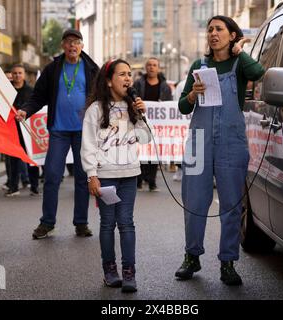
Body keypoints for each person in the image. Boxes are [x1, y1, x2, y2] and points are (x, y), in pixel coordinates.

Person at [175, 16, 265, 285]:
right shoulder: (198, 66)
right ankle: (192, 256)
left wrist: (240, 52)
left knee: (232, 204)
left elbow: (259, 72)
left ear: (232, 35)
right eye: (210, 30)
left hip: (231, 142)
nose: (213, 34)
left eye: (219, 29)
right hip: (198, 141)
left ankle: (228, 262)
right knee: (194, 202)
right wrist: (191, 95)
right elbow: (183, 107)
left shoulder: (240, 65)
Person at [16, 29, 99, 239]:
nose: (73, 46)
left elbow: (102, 96)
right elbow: (38, 96)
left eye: (77, 42)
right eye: (69, 42)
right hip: (58, 131)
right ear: (63, 45)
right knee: (52, 176)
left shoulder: (91, 69)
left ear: (82, 45)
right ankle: (47, 223)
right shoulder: (53, 68)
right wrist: (26, 110)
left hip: (83, 132)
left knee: (83, 177)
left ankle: (81, 223)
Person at [81, 59, 151, 292]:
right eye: (122, 74)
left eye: (129, 74)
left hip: (130, 174)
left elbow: (145, 139)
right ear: (109, 81)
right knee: (108, 223)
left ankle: (129, 272)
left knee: (127, 223)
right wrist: (92, 175)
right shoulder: (95, 110)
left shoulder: (133, 106)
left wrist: (141, 115)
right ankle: (110, 271)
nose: (128, 78)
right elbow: (88, 145)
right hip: (106, 176)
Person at [133, 57, 172, 191]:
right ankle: (139, 180)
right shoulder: (138, 83)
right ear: (146, 67)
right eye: (149, 65)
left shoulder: (165, 86)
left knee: (155, 152)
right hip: (141, 122)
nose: (151, 67)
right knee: (141, 151)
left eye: (154, 65)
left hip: (158, 125)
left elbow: (169, 104)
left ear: (158, 68)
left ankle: (152, 181)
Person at [5, 64, 40, 197]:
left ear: (24, 75)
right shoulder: (6, 91)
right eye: (14, 73)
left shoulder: (31, 91)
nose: (17, 76)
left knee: (32, 159)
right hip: (12, 130)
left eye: (20, 73)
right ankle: (13, 187)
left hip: (28, 130)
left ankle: (34, 187)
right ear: (11, 75)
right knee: (13, 160)